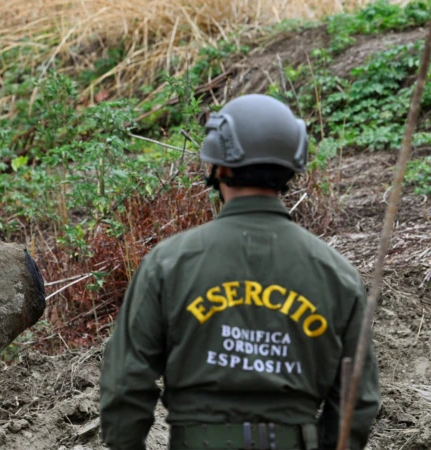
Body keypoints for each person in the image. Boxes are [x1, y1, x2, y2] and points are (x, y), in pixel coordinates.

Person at [98, 94, 380, 450]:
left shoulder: (168, 263)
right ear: (292, 168)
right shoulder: (337, 274)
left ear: (218, 167)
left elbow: (125, 383)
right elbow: (358, 400)